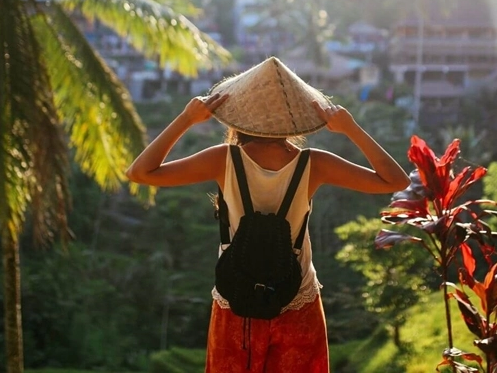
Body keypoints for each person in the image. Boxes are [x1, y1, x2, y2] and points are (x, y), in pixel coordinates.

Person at [126, 56, 410, 373]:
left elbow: (140, 172)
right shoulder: (313, 163)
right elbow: (396, 181)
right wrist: (349, 128)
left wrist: (186, 118)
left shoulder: (224, 159)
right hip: (297, 297)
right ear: (293, 117)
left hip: (237, 299)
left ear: (239, 116)